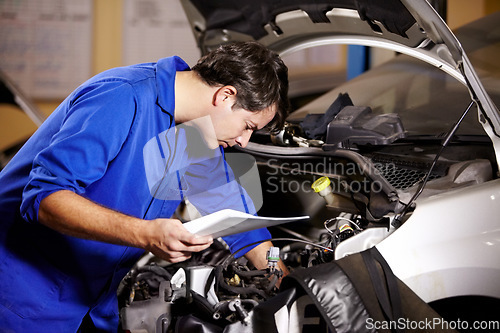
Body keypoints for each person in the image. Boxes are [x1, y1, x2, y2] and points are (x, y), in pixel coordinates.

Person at [0, 41, 289, 331]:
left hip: (95, 304)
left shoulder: (196, 134)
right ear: (226, 96)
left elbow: (240, 221)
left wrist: (279, 275)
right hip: (21, 296)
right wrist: (146, 234)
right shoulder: (122, 96)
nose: (243, 141)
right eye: (248, 125)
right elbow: (44, 198)